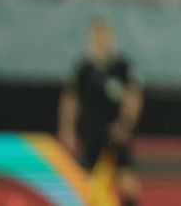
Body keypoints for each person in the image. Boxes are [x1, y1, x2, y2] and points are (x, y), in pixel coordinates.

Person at [57, 18, 143, 206]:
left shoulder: (122, 66)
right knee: (83, 181)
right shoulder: (83, 68)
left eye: (104, 35)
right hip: (91, 131)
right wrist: (67, 128)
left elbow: (133, 97)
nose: (100, 39)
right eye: (96, 35)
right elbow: (70, 100)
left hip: (115, 131)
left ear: (111, 37)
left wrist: (125, 123)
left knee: (127, 182)